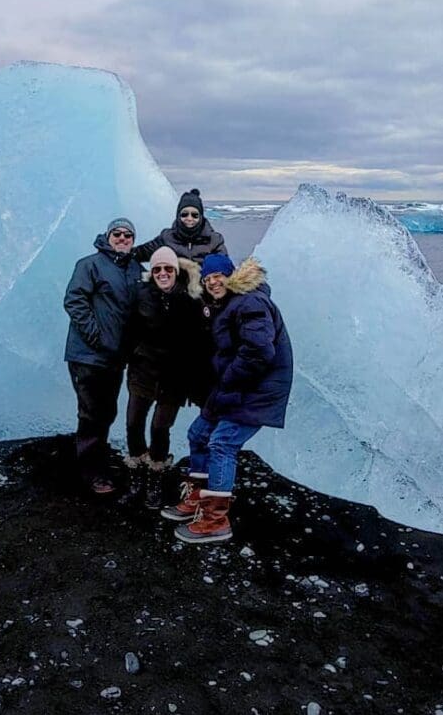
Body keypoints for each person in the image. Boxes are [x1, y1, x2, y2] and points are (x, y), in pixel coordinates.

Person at [161, 253, 293, 543]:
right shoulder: (228, 304)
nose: (213, 282)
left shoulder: (250, 301)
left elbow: (259, 351)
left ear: (231, 275)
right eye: (207, 279)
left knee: (222, 442)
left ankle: (215, 520)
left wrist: (229, 378)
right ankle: (198, 498)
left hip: (256, 391)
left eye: (218, 276)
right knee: (198, 434)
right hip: (234, 388)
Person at [123, 246, 211, 509]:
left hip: (174, 378)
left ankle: (155, 478)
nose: (163, 273)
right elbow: (128, 330)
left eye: (168, 268)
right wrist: (133, 355)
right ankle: (136, 474)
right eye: (157, 269)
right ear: (152, 272)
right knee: (133, 423)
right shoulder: (141, 295)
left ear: (176, 271)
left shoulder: (190, 300)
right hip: (143, 373)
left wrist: (196, 381)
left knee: (159, 428)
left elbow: (200, 342)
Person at [63, 217, 141, 495]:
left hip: (115, 358)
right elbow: (74, 300)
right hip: (88, 356)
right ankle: (93, 473)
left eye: (127, 235)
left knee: (107, 411)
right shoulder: (90, 265)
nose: (122, 238)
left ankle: (98, 461)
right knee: (92, 413)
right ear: (107, 237)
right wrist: (97, 336)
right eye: (116, 233)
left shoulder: (134, 269)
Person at [132, 188, 227, 266]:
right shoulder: (167, 238)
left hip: (203, 283)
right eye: (184, 214)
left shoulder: (214, 240)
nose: (189, 218)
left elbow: (224, 266)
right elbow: (142, 253)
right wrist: (127, 253)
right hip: (175, 283)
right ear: (178, 216)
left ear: (201, 217)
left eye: (195, 215)